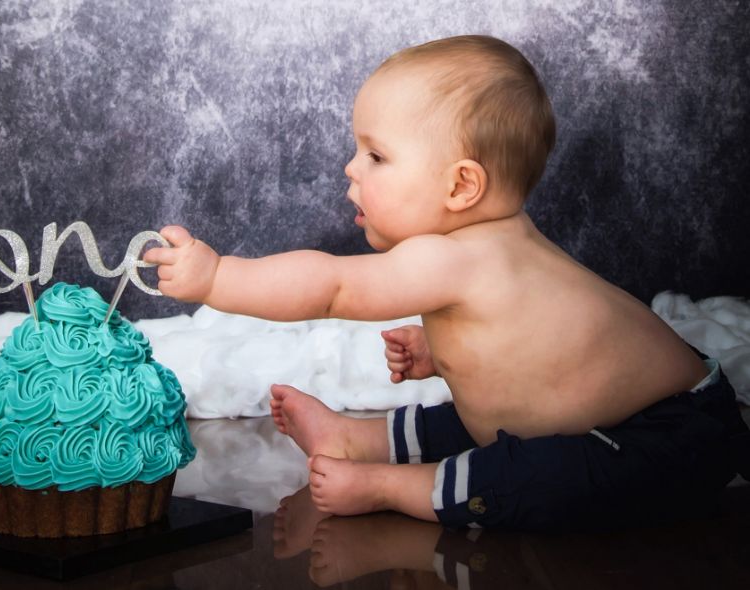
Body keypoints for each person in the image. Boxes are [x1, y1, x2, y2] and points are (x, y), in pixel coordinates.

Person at [144, 35, 750, 531]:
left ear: (461, 186)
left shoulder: (455, 258)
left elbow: (330, 287)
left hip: (675, 436)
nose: (350, 168)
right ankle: (356, 437)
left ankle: (395, 485)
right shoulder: (499, 242)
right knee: (481, 414)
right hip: (645, 409)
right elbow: (538, 354)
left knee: (538, 473)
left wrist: (219, 277)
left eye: (376, 156)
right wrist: (447, 353)